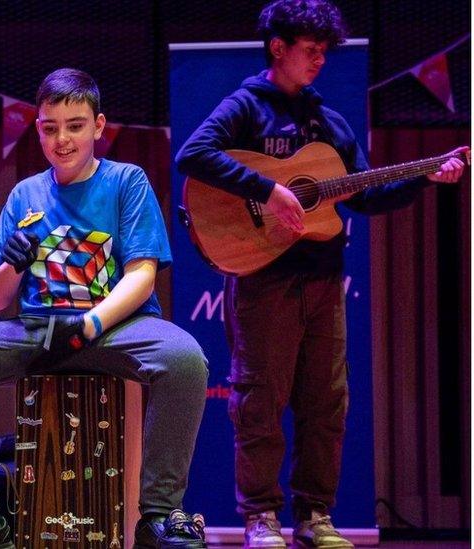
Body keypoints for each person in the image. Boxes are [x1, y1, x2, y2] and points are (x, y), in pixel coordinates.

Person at [174, 2, 467, 548]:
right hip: (262, 281)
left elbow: (368, 194)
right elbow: (194, 154)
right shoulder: (245, 107)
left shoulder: (327, 122)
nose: (319, 61)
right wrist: (269, 189)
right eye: (310, 51)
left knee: (326, 402)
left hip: (324, 280)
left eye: (324, 52)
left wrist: (430, 175)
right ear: (278, 48)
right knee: (259, 401)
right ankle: (261, 517)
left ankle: (315, 517)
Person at [0, 68, 210, 549]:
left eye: (74, 125)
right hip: (38, 331)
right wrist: (12, 263)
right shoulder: (25, 193)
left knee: (184, 359)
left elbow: (142, 275)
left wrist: (90, 323)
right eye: (50, 127)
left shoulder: (125, 181)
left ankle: (157, 515)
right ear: (38, 129)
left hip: (113, 328)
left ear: (98, 126)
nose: (62, 138)